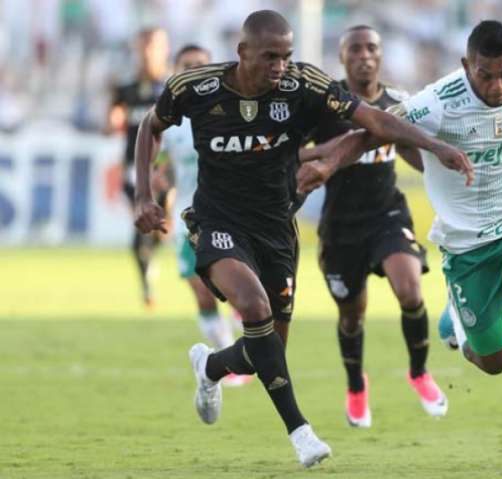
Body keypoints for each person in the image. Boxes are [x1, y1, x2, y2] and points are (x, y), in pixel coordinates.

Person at [133, 10, 471, 468]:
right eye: (270, 56)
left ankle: (210, 366)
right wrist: (144, 194)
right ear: (243, 52)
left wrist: (436, 147)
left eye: (286, 56)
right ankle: (302, 433)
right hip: (218, 221)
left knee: (267, 349)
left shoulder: (303, 85)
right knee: (254, 310)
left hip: (276, 228)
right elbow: (148, 127)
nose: (279, 65)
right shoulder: (196, 87)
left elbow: (371, 119)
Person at [298, 20, 502, 470]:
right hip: (468, 245)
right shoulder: (437, 102)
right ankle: (456, 324)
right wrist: (326, 164)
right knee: (494, 360)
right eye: (486, 75)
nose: (498, 86)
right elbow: (371, 133)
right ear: (466, 67)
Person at [300, 25, 447, 428]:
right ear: (343, 57)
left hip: (387, 216)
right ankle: (355, 386)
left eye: (372, 48)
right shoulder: (326, 106)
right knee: (352, 317)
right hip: (340, 228)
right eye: (355, 49)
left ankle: (418, 372)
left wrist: (440, 172)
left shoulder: (397, 101)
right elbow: (294, 152)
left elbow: (407, 148)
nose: (365, 55)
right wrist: (327, 152)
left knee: (410, 287)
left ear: (381, 56)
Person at [160, 44, 250, 387]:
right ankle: (224, 350)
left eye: (201, 65)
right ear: (176, 72)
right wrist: (158, 189)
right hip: (186, 218)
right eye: (187, 66)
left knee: (235, 285)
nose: (194, 71)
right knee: (200, 290)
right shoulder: (169, 123)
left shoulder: (228, 113)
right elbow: (162, 169)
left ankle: (245, 334)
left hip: (228, 214)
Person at [109, 27, 171, 307]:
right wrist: (112, 120)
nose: (148, 51)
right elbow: (111, 121)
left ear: (164, 48)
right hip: (135, 168)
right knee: (141, 225)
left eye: (154, 45)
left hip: (167, 167)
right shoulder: (126, 90)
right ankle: (146, 281)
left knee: (160, 224)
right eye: (144, 45)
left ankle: (153, 251)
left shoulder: (172, 87)